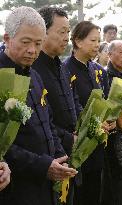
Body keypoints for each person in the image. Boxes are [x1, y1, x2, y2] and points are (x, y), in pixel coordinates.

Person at [0, 6, 77, 205]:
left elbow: (48, 122)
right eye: (25, 43)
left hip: (45, 183)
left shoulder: (35, 75)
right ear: (7, 39)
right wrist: (42, 165)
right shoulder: (1, 78)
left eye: (38, 43)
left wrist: (60, 156)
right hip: (15, 186)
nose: (32, 50)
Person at [31, 7, 82, 204]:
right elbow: (42, 119)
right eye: (61, 32)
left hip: (71, 152)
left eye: (68, 32)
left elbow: (73, 103)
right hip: (47, 158)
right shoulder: (33, 68)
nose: (67, 37)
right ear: (43, 31)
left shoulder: (62, 66)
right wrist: (68, 138)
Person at [63, 21, 113, 205]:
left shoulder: (99, 70)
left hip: (99, 143)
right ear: (77, 41)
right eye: (93, 40)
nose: (97, 44)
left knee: (95, 191)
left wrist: (110, 120)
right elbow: (71, 108)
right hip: (77, 144)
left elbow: (106, 102)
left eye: (98, 40)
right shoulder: (65, 69)